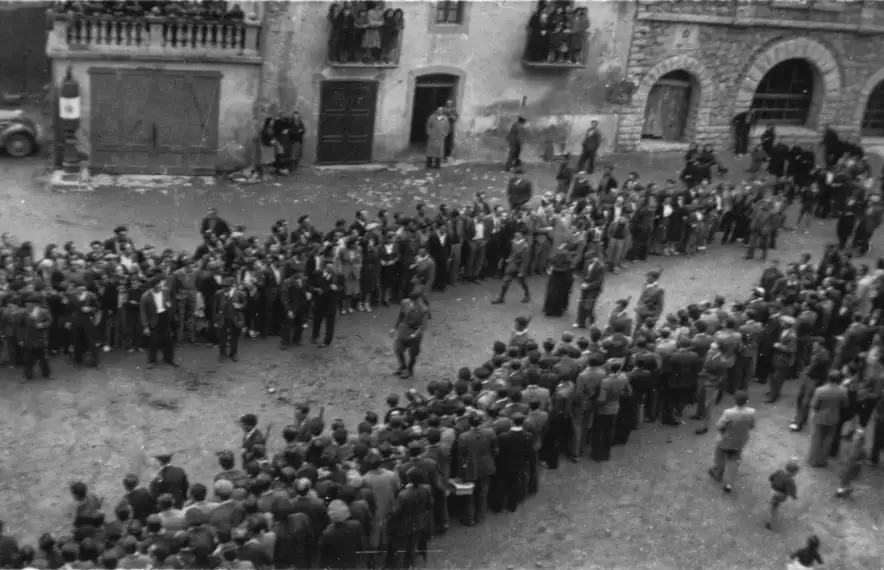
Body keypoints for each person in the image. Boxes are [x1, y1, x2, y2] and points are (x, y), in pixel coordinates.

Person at [708, 390, 755, 493]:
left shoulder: (728, 413)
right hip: (740, 441)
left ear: (734, 400)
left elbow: (719, 426)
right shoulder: (751, 412)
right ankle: (729, 484)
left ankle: (718, 473)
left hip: (726, 440)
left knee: (720, 457)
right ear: (746, 401)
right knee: (734, 460)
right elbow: (752, 425)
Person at [806, 370, 849, 468]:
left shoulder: (820, 390)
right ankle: (823, 460)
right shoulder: (842, 391)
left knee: (817, 439)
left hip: (820, 417)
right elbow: (845, 404)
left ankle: (814, 460)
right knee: (828, 440)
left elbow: (814, 405)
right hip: (833, 418)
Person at [391, 290, 429, 379]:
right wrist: (395, 328)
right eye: (412, 301)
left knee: (413, 354)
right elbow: (401, 316)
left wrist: (416, 334)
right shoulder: (405, 303)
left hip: (415, 333)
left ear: (419, 299)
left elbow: (423, 326)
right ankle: (403, 367)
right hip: (404, 330)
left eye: (415, 301)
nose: (413, 303)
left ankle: (410, 370)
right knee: (398, 349)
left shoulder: (424, 310)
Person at [140, 275, 176, 369]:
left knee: (168, 339)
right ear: (152, 288)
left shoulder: (166, 291)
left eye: (160, 286)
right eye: (157, 287)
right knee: (153, 341)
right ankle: (151, 361)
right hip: (154, 319)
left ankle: (169, 359)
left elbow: (169, 301)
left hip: (165, 317)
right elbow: (143, 312)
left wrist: (169, 306)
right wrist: (145, 326)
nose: (159, 288)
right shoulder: (145, 296)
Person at [491, 230, 531, 305]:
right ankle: (501, 298)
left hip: (519, 267)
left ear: (522, 236)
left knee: (523, 283)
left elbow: (525, 260)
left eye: (518, 235)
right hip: (512, 266)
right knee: (505, 282)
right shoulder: (514, 243)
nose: (516, 236)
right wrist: (510, 259)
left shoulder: (525, 246)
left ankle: (527, 295)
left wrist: (521, 272)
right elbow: (513, 253)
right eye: (516, 235)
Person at [17, 293, 51, 380]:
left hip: (40, 338)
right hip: (29, 338)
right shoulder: (24, 313)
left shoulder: (43, 312)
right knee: (28, 358)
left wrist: (42, 325)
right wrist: (20, 339)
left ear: (35, 304)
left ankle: (46, 373)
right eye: (26, 303)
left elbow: (49, 321)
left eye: (29, 303)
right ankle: (28, 375)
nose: (27, 305)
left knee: (43, 357)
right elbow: (19, 326)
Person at [310, 259, 343, 348]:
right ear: (324, 267)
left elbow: (343, 288)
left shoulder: (338, 276)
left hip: (331, 303)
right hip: (319, 302)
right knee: (317, 320)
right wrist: (315, 289)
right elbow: (310, 285)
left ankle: (327, 341)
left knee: (330, 323)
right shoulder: (316, 274)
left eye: (332, 266)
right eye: (329, 266)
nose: (331, 268)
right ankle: (315, 336)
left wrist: (337, 288)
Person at [214, 277, 246, 363]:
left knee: (234, 337)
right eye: (224, 286)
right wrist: (216, 319)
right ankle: (222, 354)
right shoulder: (218, 294)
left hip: (234, 317)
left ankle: (233, 353)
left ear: (231, 286)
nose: (225, 288)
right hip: (223, 318)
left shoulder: (239, 293)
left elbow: (245, 303)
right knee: (222, 337)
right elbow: (215, 306)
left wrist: (240, 306)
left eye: (227, 286)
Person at [765, 458, 799, 530]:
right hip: (780, 495)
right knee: (774, 507)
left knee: (771, 504)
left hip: (772, 490)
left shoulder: (779, 472)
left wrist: (773, 481)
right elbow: (792, 491)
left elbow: (770, 477)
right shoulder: (790, 480)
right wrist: (794, 497)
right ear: (793, 472)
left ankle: (769, 518)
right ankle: (771, 523)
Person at [573, 251, 605, 328]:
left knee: (589, 306)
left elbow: (599, 282)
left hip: (594, 289)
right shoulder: (587, 263)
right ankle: (580, 322)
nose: (587, 261)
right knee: (581, 304)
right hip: (585, 287)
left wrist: (588, 286)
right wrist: (582, 283)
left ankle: (591, 321)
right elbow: (584, 275)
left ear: (595, 258)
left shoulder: (600, 267)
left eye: (589, 259)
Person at [542, 243, 574, 317]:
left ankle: (556, 311)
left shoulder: (568, 258)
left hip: (561, 279)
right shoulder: (557, 255)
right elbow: (551, 263)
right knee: (550, 294)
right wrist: (549, 268)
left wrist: (554, 269)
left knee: (558, 295)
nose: (560, 249)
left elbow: (565, 269)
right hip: (554, 278)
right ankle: (549, 310)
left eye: (562, 249)